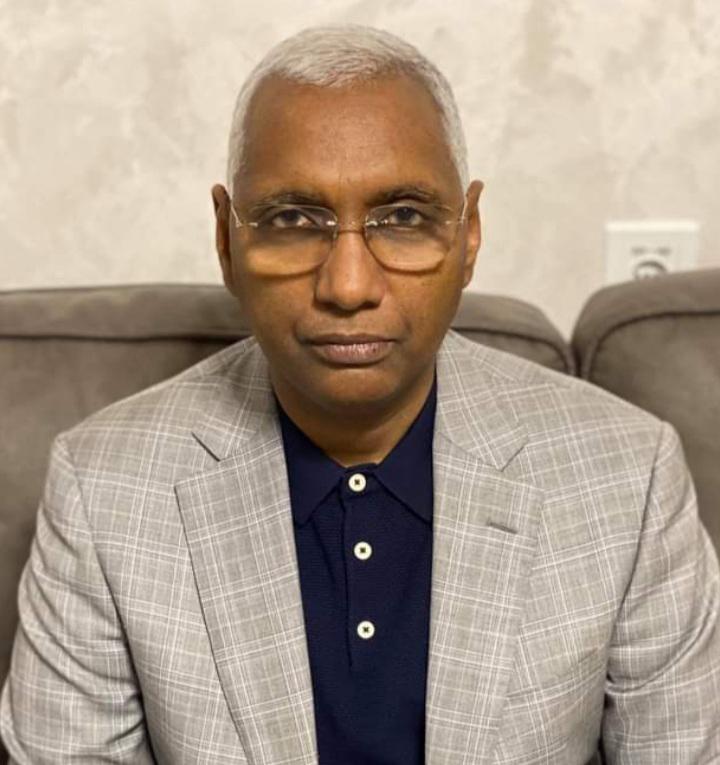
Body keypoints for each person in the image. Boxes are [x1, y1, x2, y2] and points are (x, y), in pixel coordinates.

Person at [1, 23, 719, 765]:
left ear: (468, 234)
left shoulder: (628, 477)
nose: (348, 286)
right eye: (292, 219)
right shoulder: (103, 489)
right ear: (226, 239)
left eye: (404, 218)